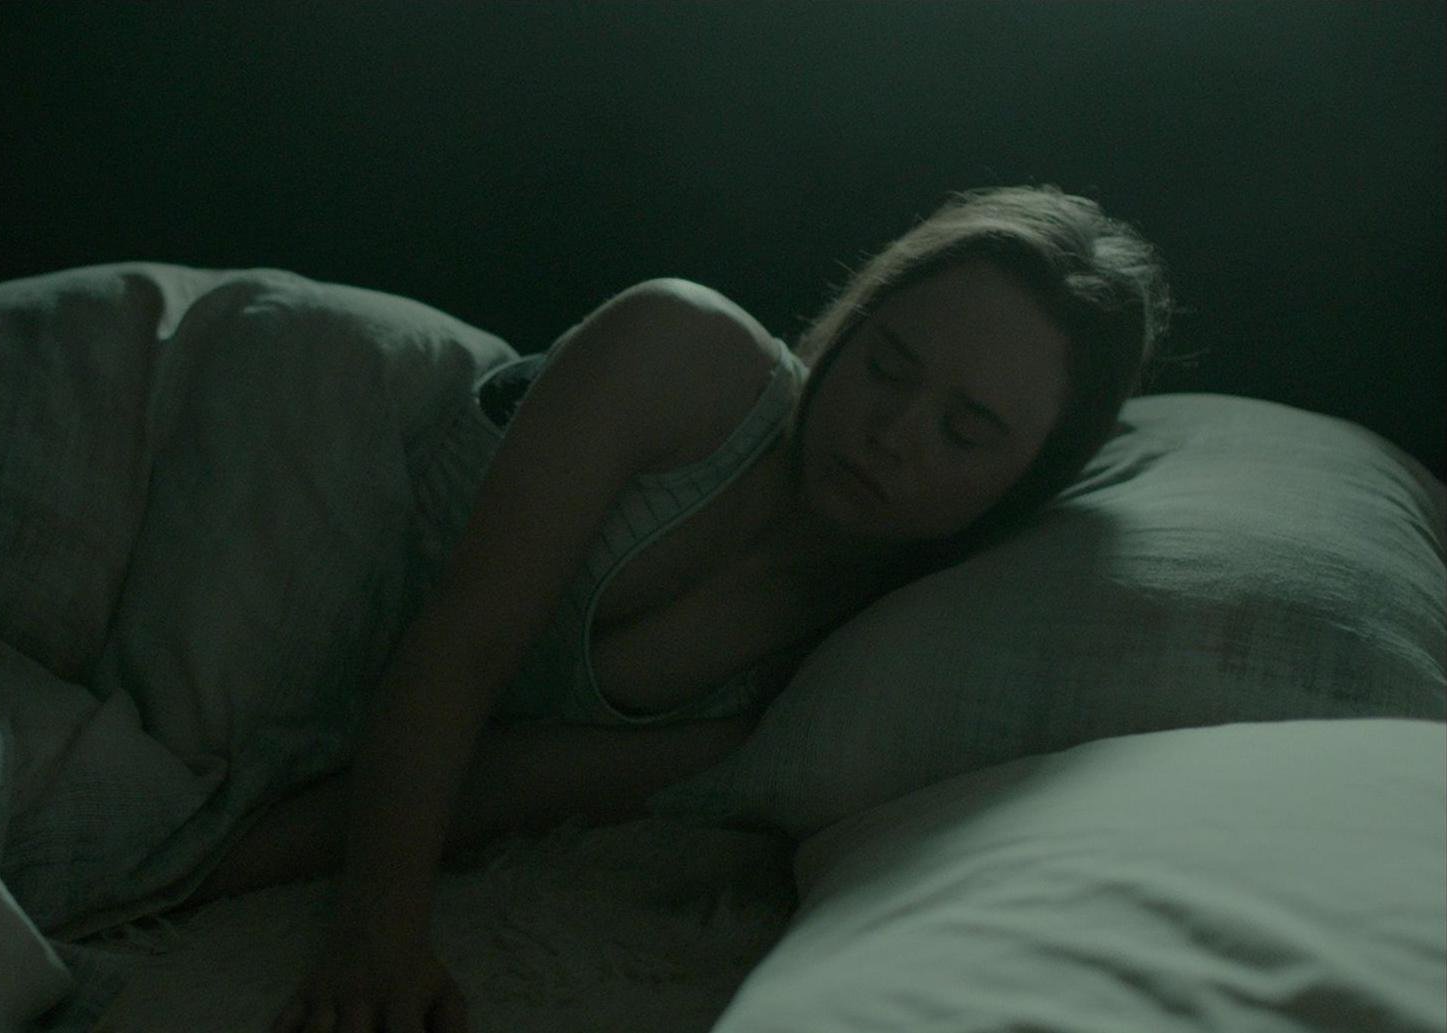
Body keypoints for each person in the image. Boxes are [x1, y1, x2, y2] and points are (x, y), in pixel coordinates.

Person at [264, 183, 1174, 1033]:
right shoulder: (685, 351)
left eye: (964, 430)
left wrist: (211, 868)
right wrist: (377, 930)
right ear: (855, 323)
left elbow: (494, 784)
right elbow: (464, 641)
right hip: (282, 425)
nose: (892, 433)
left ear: (1024, 483)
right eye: (887, 367)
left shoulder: (841, 673)